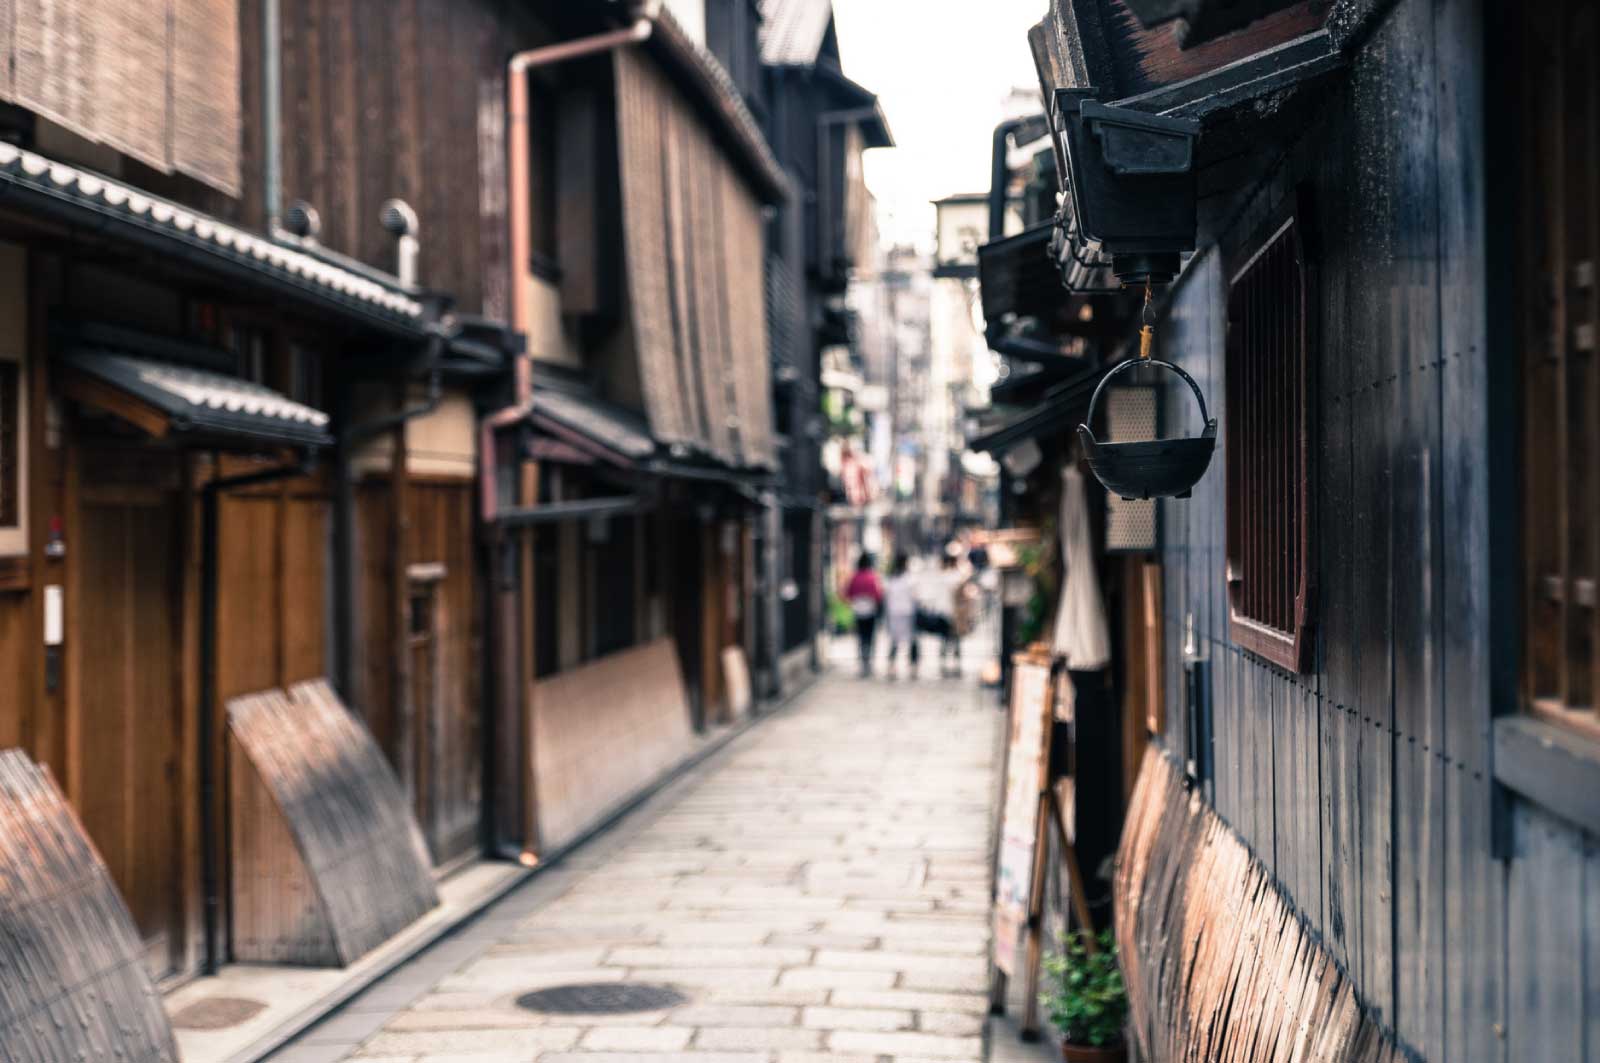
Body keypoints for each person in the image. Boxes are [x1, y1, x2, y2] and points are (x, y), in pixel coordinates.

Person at [843, 552, 883, 677]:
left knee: (861, 637)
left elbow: (847, 593)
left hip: (858, 610)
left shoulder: (855, 577)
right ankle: (868, 662)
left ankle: (862, 663)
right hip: (870, 610)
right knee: (870, 637)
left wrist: (855, 601)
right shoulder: (871, 577)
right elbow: (878, 595)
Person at [883, 553, 920, 679]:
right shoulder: (910, 579)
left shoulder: (890, 579)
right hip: (907, 612)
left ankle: (891, 666)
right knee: (912, 640)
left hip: (894, 613)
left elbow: (886, 597)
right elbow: (916, 596)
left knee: (895, 640)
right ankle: (913, 666)